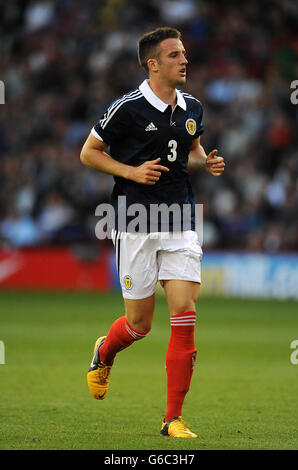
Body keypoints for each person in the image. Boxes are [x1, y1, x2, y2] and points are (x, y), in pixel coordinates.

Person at [80, 27, 225, 438]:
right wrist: (131, 172)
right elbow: (88, 152)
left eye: (185, 53)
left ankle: (172, 418)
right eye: (175, 54)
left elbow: (191, 153)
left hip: (180, 218)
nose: (185, 60)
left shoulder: (193, 106)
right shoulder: (126, 108)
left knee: (184, 311)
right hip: (135, 222)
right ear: (154, 63)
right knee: (139, 325)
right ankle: (104, 351)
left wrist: (205, 163)